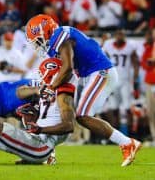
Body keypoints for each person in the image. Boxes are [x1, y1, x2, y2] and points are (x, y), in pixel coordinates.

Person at [25, 14, 141, 167]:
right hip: (89, 75)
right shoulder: (58, 39)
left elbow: (67, 68)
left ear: (45, 32)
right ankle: (48, 152)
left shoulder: (59, 35)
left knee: (83, 115)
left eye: (38, 40)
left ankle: (127, 143)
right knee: (58, 110)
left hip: (100, 72)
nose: (37, 45)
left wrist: (50, 88)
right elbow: (65, 71)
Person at [102, 30, 140, 134]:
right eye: (118, 34)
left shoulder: (130, 46)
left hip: (125, 81)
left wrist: (136, 78)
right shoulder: (108, 45)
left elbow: (135, 62)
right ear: (115, 36)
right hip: (113, 80)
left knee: (128, 108)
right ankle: (115, 133)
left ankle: (132, 132)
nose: (120, 37)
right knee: (114, 108)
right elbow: (102, 58)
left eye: (122, 35)